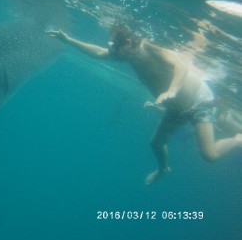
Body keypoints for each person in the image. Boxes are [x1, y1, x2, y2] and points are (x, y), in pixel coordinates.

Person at [47, 24, 242, 184]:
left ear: (129, 43)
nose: (115, 55)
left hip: (199, 103)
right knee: (156, 143)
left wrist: (172, 90)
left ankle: (239, 139)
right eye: (114, 50)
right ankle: (163, 170)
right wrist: (69, 41)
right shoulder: (125, 54)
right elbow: (98, 52)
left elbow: (180, 66)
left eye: (118, 50)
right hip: (175, 109)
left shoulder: (149, 48)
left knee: (210, 154)